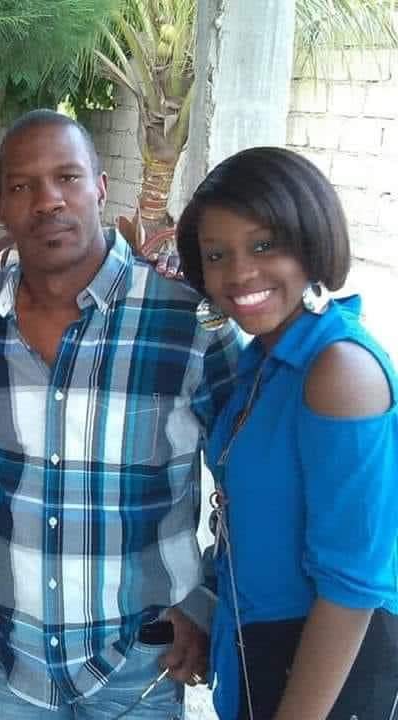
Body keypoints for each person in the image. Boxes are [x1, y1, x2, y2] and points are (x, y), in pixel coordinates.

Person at [0, 109, 242, 719]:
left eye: (67, 177)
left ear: (100, 187)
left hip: (140, 660)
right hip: (9, 654)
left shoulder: (187, 326)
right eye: (22, 186)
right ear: (1, 207)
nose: (47, 201)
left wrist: (208, 599)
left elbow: (248, 481)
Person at [175, 146, 398, 720]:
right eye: (217, 254)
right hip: (261, 644)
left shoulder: (338, 371)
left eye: (264, 245)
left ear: (310, 239)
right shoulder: (265, 361)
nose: (240, 273)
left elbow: (352, 587)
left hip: (325, 666)